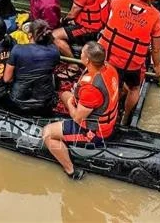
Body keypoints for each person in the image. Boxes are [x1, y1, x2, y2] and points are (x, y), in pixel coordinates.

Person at [42, 41, 119, 180]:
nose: (80, 54)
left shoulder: (91, 88)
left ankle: (71, 171)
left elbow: (77, 118)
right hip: (101, 112)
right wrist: (69, 98)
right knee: (64, 95)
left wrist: (71, 104)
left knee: (47, 133)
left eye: (82, 53)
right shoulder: (109, 68)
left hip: (94, 131)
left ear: (87, 60)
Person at [99, 0, 160, 124]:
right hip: (132, 65)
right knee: (134, 89)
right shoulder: (156, 18)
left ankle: (105, 113)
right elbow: (156, 48)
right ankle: (125, 117)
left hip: (108, 59)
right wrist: (157, 65)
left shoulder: (117, 2)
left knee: (107, 85)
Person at [4, 19, 60, 114]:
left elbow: (7, 79)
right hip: (43, 101)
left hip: (18, 101)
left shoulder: (17, 49)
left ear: (30, 35)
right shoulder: (54, 51)